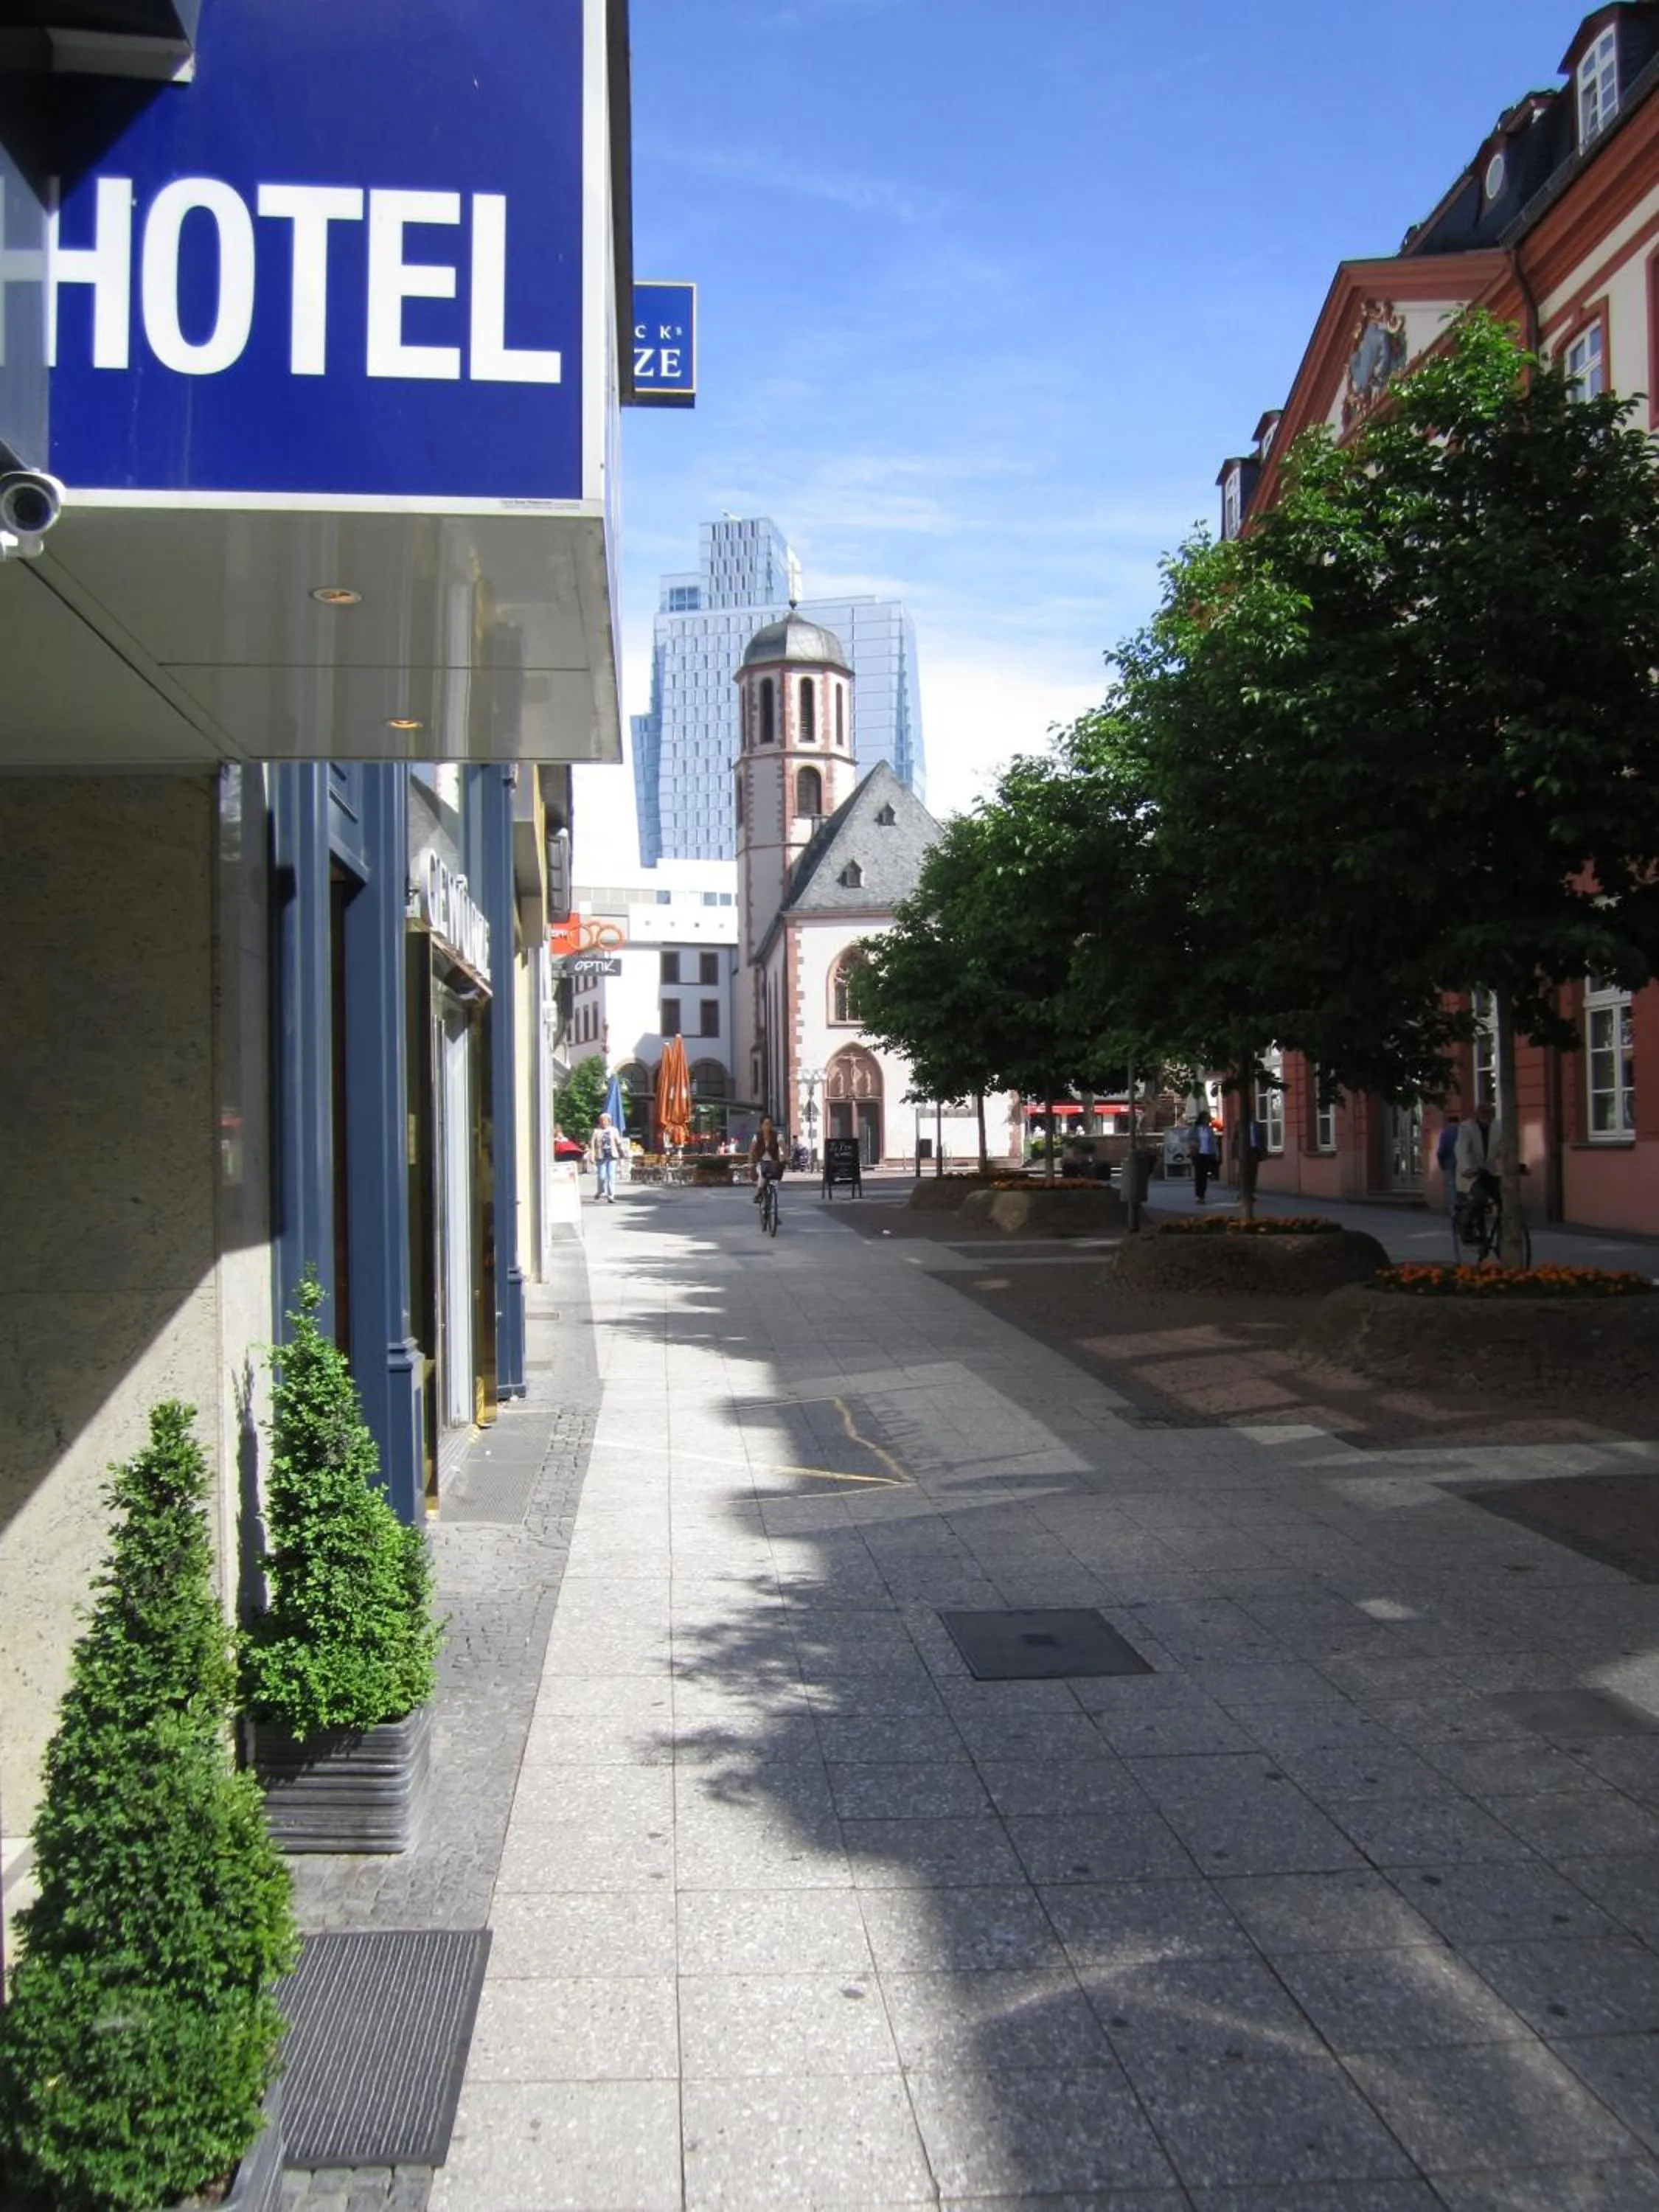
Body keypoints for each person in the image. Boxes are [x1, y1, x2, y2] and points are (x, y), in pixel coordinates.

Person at [1454, 1099, 1500, 1207]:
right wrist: (1467, 1168)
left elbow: (1502, 1147)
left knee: (1501, 1198)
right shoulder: (1466, 1128)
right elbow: (1461, 1150)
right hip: (1472, 1174)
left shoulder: (1498, 1126)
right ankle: (1473, 1220)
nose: (1488, 1119)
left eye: (1490, 1115)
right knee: (1479, 1198)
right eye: (1485, 1115)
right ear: (1478, 1115)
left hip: (1490, 1172)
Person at [748, 1116, 784, 1203]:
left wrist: (786, 1158)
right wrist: (750, 1162)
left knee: (775, 1177)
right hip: (761, 1162)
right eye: (766, 1124)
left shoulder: (777, 1135)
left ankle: (772, 1196)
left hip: (773, 1162)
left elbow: (783, 1147)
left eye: (770, 1124)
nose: (768, 1126)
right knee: (762, 1176)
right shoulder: (757, 1136)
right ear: (761, 1125)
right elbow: (752, 1149)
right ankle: (759, 1193)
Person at [589, 1111, 622, 1203]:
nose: (603, 1122)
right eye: (601, 1120)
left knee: (611, 1176)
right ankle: (600, 1191)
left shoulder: (614, 1130)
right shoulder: (596, 1131)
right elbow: (592, 1145)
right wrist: (592, 1156)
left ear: (609, 1121)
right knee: (602, 1177)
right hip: (601, 1156)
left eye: (605, 1120)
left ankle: (611, 1196)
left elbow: (618, 1142)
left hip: (612, 1156)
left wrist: (621, 1152)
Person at [1188, 1110, 1219, 1203]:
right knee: (1199, 1175)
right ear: (1202, 1119)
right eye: (1206, 1118)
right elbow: (1190, 1139)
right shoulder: (1196, 1128)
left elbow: (1213, 1142)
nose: (1207, 1120)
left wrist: (1216, 1153)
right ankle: (1198, 1195)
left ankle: (1202, 1196)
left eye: (1208, 1118)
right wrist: (1195, 1145)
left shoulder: (1209, 1129)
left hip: (1208, 1154)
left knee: (1204, 1176)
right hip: (1198, 1154)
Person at [1436, 1112, 1461, 1219]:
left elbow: (1441, 1150)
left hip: (1449, 1162)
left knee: (1451, 1186)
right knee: (1461, 1185)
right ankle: (1462, 1207)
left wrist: (1441, 1163)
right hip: (1462, 1162)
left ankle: (1453, 1211)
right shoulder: (1462, 1131)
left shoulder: (1446, 1133)